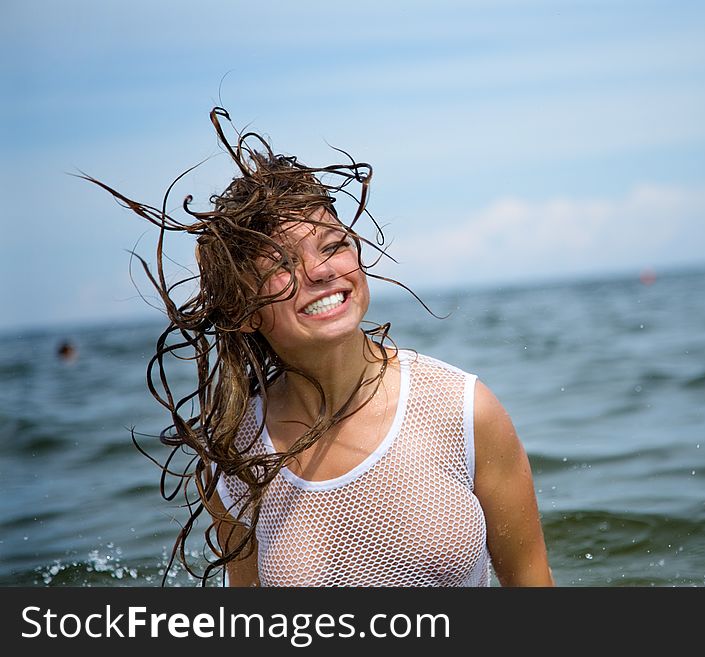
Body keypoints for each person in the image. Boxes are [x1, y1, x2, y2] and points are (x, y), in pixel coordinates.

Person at [86, 107, 553, 587]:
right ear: (243, 312)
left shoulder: (461, 410)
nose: (321, 271)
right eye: (281, 264)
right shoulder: (237, 458)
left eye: (333, 246)